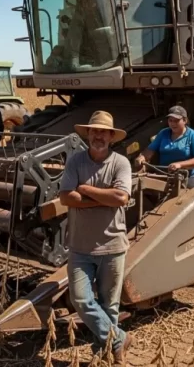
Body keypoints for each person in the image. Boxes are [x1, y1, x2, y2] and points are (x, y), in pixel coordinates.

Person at [58, 110, 134, 365]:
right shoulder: (76, 161)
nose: (97, 135)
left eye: (103, 132)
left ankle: (109, 352)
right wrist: (103, 198)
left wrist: (86, 191)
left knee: (110, 305)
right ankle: (118, 338)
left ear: (111, 136)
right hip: (80, 247)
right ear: (87, 134)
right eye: (93, 131)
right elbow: (66, 197)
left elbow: (121, 198)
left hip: (112, 246)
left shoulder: (121, 163)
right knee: (80, 299)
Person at [135, 105, 194, 187]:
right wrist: (142, 157)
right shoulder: (163, 133)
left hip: (187, 179)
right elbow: (150, 150)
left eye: (176, 121)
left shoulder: (193, 136)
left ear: (185, 120)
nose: (173, 123)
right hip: (165, 176)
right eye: (170, 120)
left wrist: (179, 165)